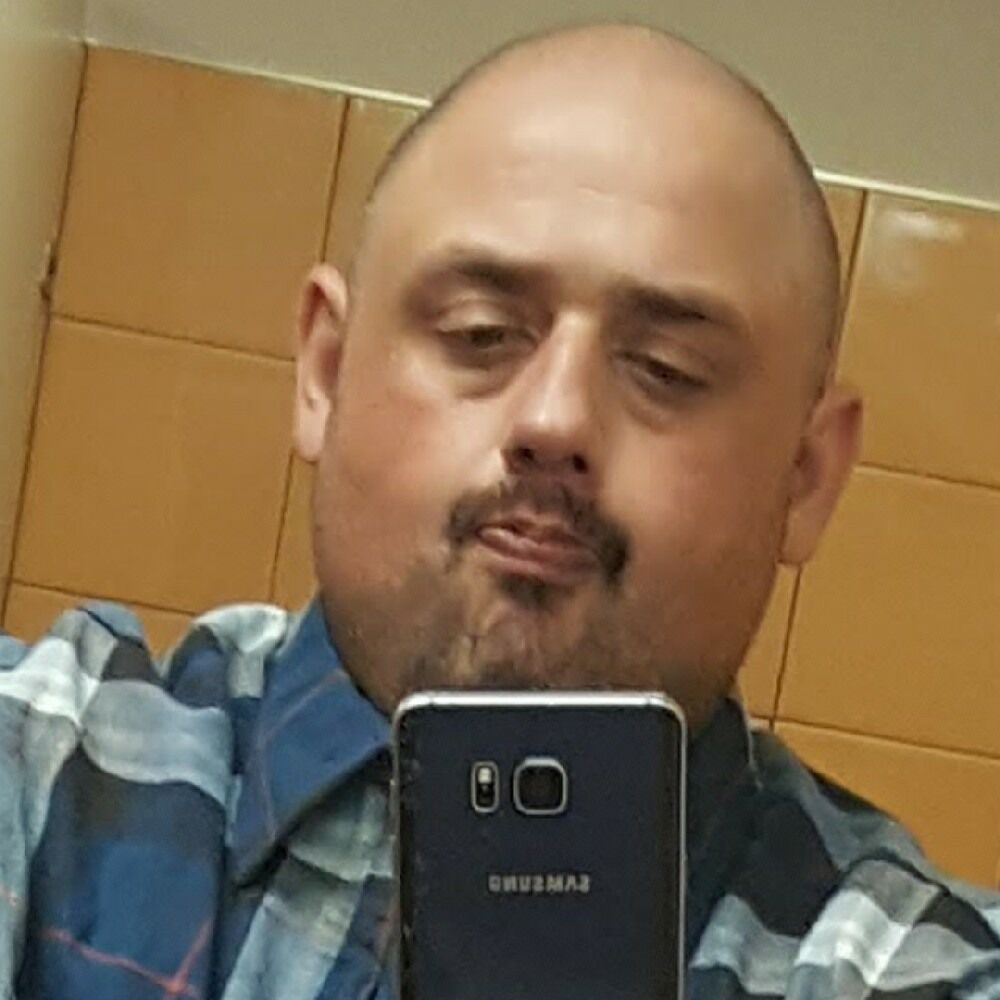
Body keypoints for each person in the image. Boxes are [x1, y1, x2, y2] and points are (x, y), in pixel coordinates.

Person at [1, 21, 997, 1000]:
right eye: (480, 333)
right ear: (326, 371)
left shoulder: (913, 971)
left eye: (666, 369)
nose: (555, 419)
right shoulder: (40, 775)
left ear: (806, 477)